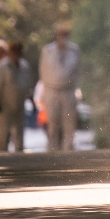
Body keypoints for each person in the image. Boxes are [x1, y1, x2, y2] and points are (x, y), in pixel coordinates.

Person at [39, 23, 81, 152]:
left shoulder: (75, 50)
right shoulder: (47, 50)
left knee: (69, 123)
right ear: (56, 36)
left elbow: (78, 70)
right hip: (52, 90)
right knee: (53, 122)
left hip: (68, 90)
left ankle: (68, 149)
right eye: (60, 34)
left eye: (65, 34)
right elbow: (43, 71)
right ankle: (52, 150)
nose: (62, 37)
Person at [0, 41, 33, 152]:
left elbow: (28, 83)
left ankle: (18, 155)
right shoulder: (2, 66)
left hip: (19, 103)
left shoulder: (25, 66)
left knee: (19, 132)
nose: (17, 53)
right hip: (5, 105)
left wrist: (30, 98)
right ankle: (0, 155)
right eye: (14, 50)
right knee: (2, 133)